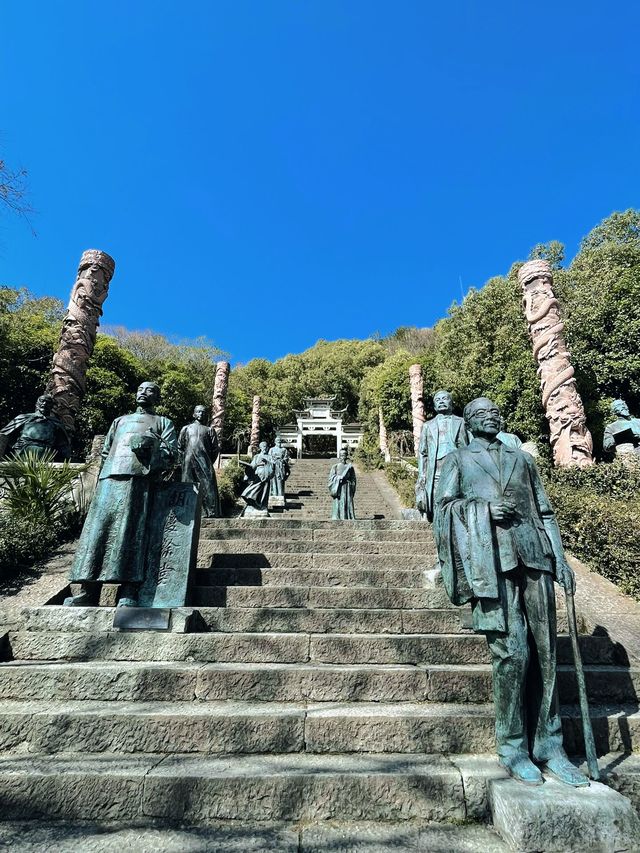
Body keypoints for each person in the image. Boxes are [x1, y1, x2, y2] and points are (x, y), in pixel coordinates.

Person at [434, 397, 587, 788]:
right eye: (482, 413)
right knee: (513, 653)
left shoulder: (523, 459)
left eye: (495, 412)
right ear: (468, 422)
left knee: (547, 654)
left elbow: (545, 512)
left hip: (535, 556)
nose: (491, 416)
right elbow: (445, 509)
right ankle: (513, 746)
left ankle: (551, 747)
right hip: (492, 564)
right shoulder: (458, 460)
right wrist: (483, 508)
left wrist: (561, 560)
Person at [65, 381, 178, 607]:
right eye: (140, 389)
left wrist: (150, 449)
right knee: (98, 531)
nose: (143, 393)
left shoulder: (163, 422)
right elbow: (106, 451)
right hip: (110, 478)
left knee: (132, 532)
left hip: (140, 481)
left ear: (157, 398)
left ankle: (129, 590)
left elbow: (171, 454)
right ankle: (88, 588)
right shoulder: (120, 421)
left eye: (150, 391)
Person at [416, 389, 468, 521]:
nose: (441, 402)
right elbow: (423, 453)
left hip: (457, 467)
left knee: (456, 497)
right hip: (436, 469)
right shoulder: (428, 426)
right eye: (437, 400)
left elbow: (468, 446)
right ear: (434, 406)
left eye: (445, 398)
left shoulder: (462, 422)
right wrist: (422, 474)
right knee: (436, 498)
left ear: (451, 402)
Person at [0, 394, 71, 461]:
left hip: (45, 455)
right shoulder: (24, 418)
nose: (44, 404)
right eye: (42, 401)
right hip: (23, 452)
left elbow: (63, 445)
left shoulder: (56, 423)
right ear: (37, 404)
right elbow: (4, 434)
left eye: (48, 402)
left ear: (51, 406)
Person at [179, 404, 220, 517]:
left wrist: (207, 460)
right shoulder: (186, 428)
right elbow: (180, 447)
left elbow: (215, 449)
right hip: (188, 461)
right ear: (194, 414)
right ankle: (186, 510)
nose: (201, 414)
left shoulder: (210, 430)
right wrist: (184, 460)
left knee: (208, 486)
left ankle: (210, 512)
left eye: (203, 412)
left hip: (204, 461)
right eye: (198, 412)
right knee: (187, 485)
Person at [240, 441, 274, 513]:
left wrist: (267, 462)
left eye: (266, 447)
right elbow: (252, 466)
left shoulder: (270, 457)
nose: (265, 448)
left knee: (264, 492)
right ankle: (252, 502)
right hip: (258, 476)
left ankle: (262, 506)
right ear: (260, 448)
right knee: (253, 489)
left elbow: (273, 466)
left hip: (266, 476)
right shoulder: (257, 456)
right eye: (264, 446)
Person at [328, 447, 356, 519]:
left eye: (344, 455)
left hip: (347, 487)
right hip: (339, 486)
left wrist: (351, 484)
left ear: (346, 456)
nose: (342, 457)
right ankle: (338, 516)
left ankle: (348, 516)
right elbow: (331, 478)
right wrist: (338, 478)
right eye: (341, 455)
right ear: (339, 456)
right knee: (338, 502)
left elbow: (353, 479)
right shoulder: (335, 467)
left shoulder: (350, 467)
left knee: (347, 502)